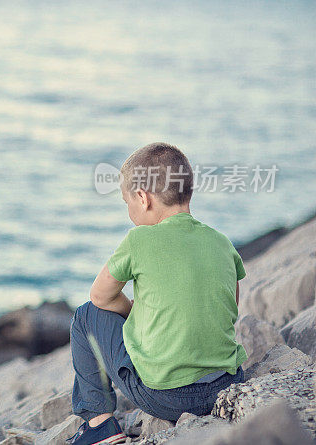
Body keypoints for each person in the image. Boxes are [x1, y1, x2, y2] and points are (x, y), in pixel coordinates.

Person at [66, 142, 247, 445]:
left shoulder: (140, 240)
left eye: (127, 202)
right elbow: (230, 306)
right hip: (226, 384)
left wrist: (133, 311)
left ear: (142, 198)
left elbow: (100, 297)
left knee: (86, 315)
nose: (129, 211)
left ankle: (99, 425)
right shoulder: (221, 242)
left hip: (168, 398)